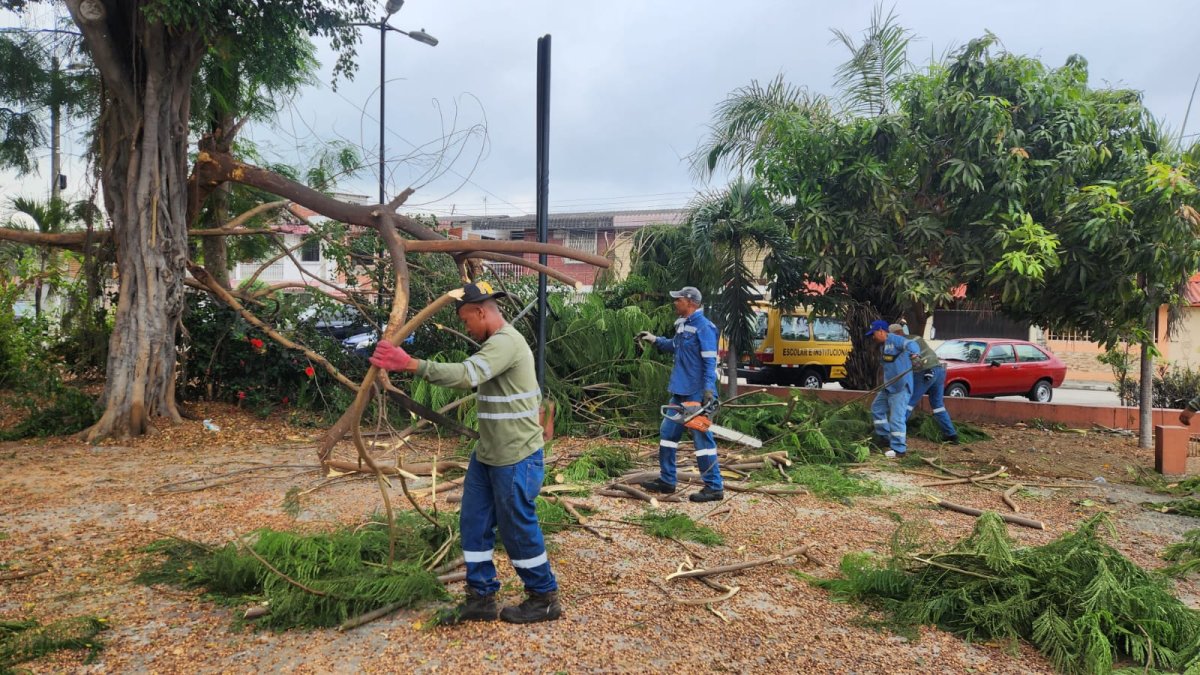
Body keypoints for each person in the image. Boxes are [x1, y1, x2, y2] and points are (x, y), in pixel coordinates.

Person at [370, 281, 560, 625]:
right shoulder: (497, 345)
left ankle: (544, 597)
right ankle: (480, 597)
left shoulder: (506, 344)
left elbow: (466, 375)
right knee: (473, 523)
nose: (466, 328)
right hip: (488, 455)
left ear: (480, 312)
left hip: (515, 457)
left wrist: (410, 364)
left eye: (465, 321)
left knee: (516, 526)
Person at [634, 286, 725, 502]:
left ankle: (714, 487)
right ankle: (667, 481)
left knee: (702, 440)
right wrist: (654, 339)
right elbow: (674, 346)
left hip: (695, 393)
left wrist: (708, 391)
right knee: (667, 435)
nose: (675, 302)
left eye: (679, 300)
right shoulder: (683, 325)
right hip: (679, 391)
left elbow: (710, 361)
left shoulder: (705, 327)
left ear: (691, 303)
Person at [889, 324, 959, 444]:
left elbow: (910, 363)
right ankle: (951, 435)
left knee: (908, 402)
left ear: (897, 333)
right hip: (939, 370)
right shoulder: (916, 338)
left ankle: (894, 435)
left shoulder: (904, 343)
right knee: (937, 405)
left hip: (926, 373)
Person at [868, 319, 920, 458]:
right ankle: (885, 437)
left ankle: (899, 450)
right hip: (888, 386)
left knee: (896, 418)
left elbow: (911, 344)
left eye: (874, 333)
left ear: (880, 331)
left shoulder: (895, 339)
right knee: (877, 409)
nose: (873, 337)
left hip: (901, 387)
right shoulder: (882, 346)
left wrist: (915, 356)